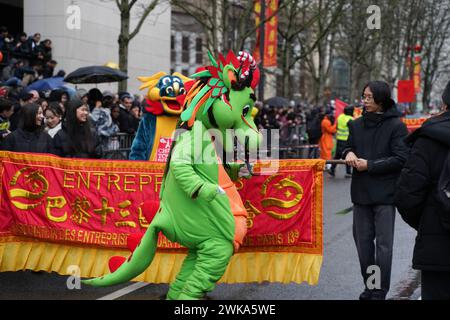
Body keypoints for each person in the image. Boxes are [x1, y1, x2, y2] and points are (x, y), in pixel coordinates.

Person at [343, 81, 409, 300]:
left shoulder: (396, 126)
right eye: (364, 96)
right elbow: (348, 146)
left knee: (383, 247)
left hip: (385, 195)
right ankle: (371, 285)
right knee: (363, 246)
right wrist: (349, 154)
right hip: (361, 194)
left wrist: (369, 165)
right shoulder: (356, 125)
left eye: (369, 97)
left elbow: (401, 158)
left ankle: (379, 290)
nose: (365, 100)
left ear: (381, 99)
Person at [394, 81, 450, 300]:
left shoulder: (428, 137)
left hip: (437, 247)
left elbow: (407, 195)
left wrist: (428, 221)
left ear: (445, 102)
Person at [330, 106, 354, 177]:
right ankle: (348, 172)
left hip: (339, 139)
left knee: (337, 156)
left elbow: (336, 126)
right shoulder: (350, 119)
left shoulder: (340, 117)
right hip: (347, 140)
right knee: (348, 155)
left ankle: (332, 169)